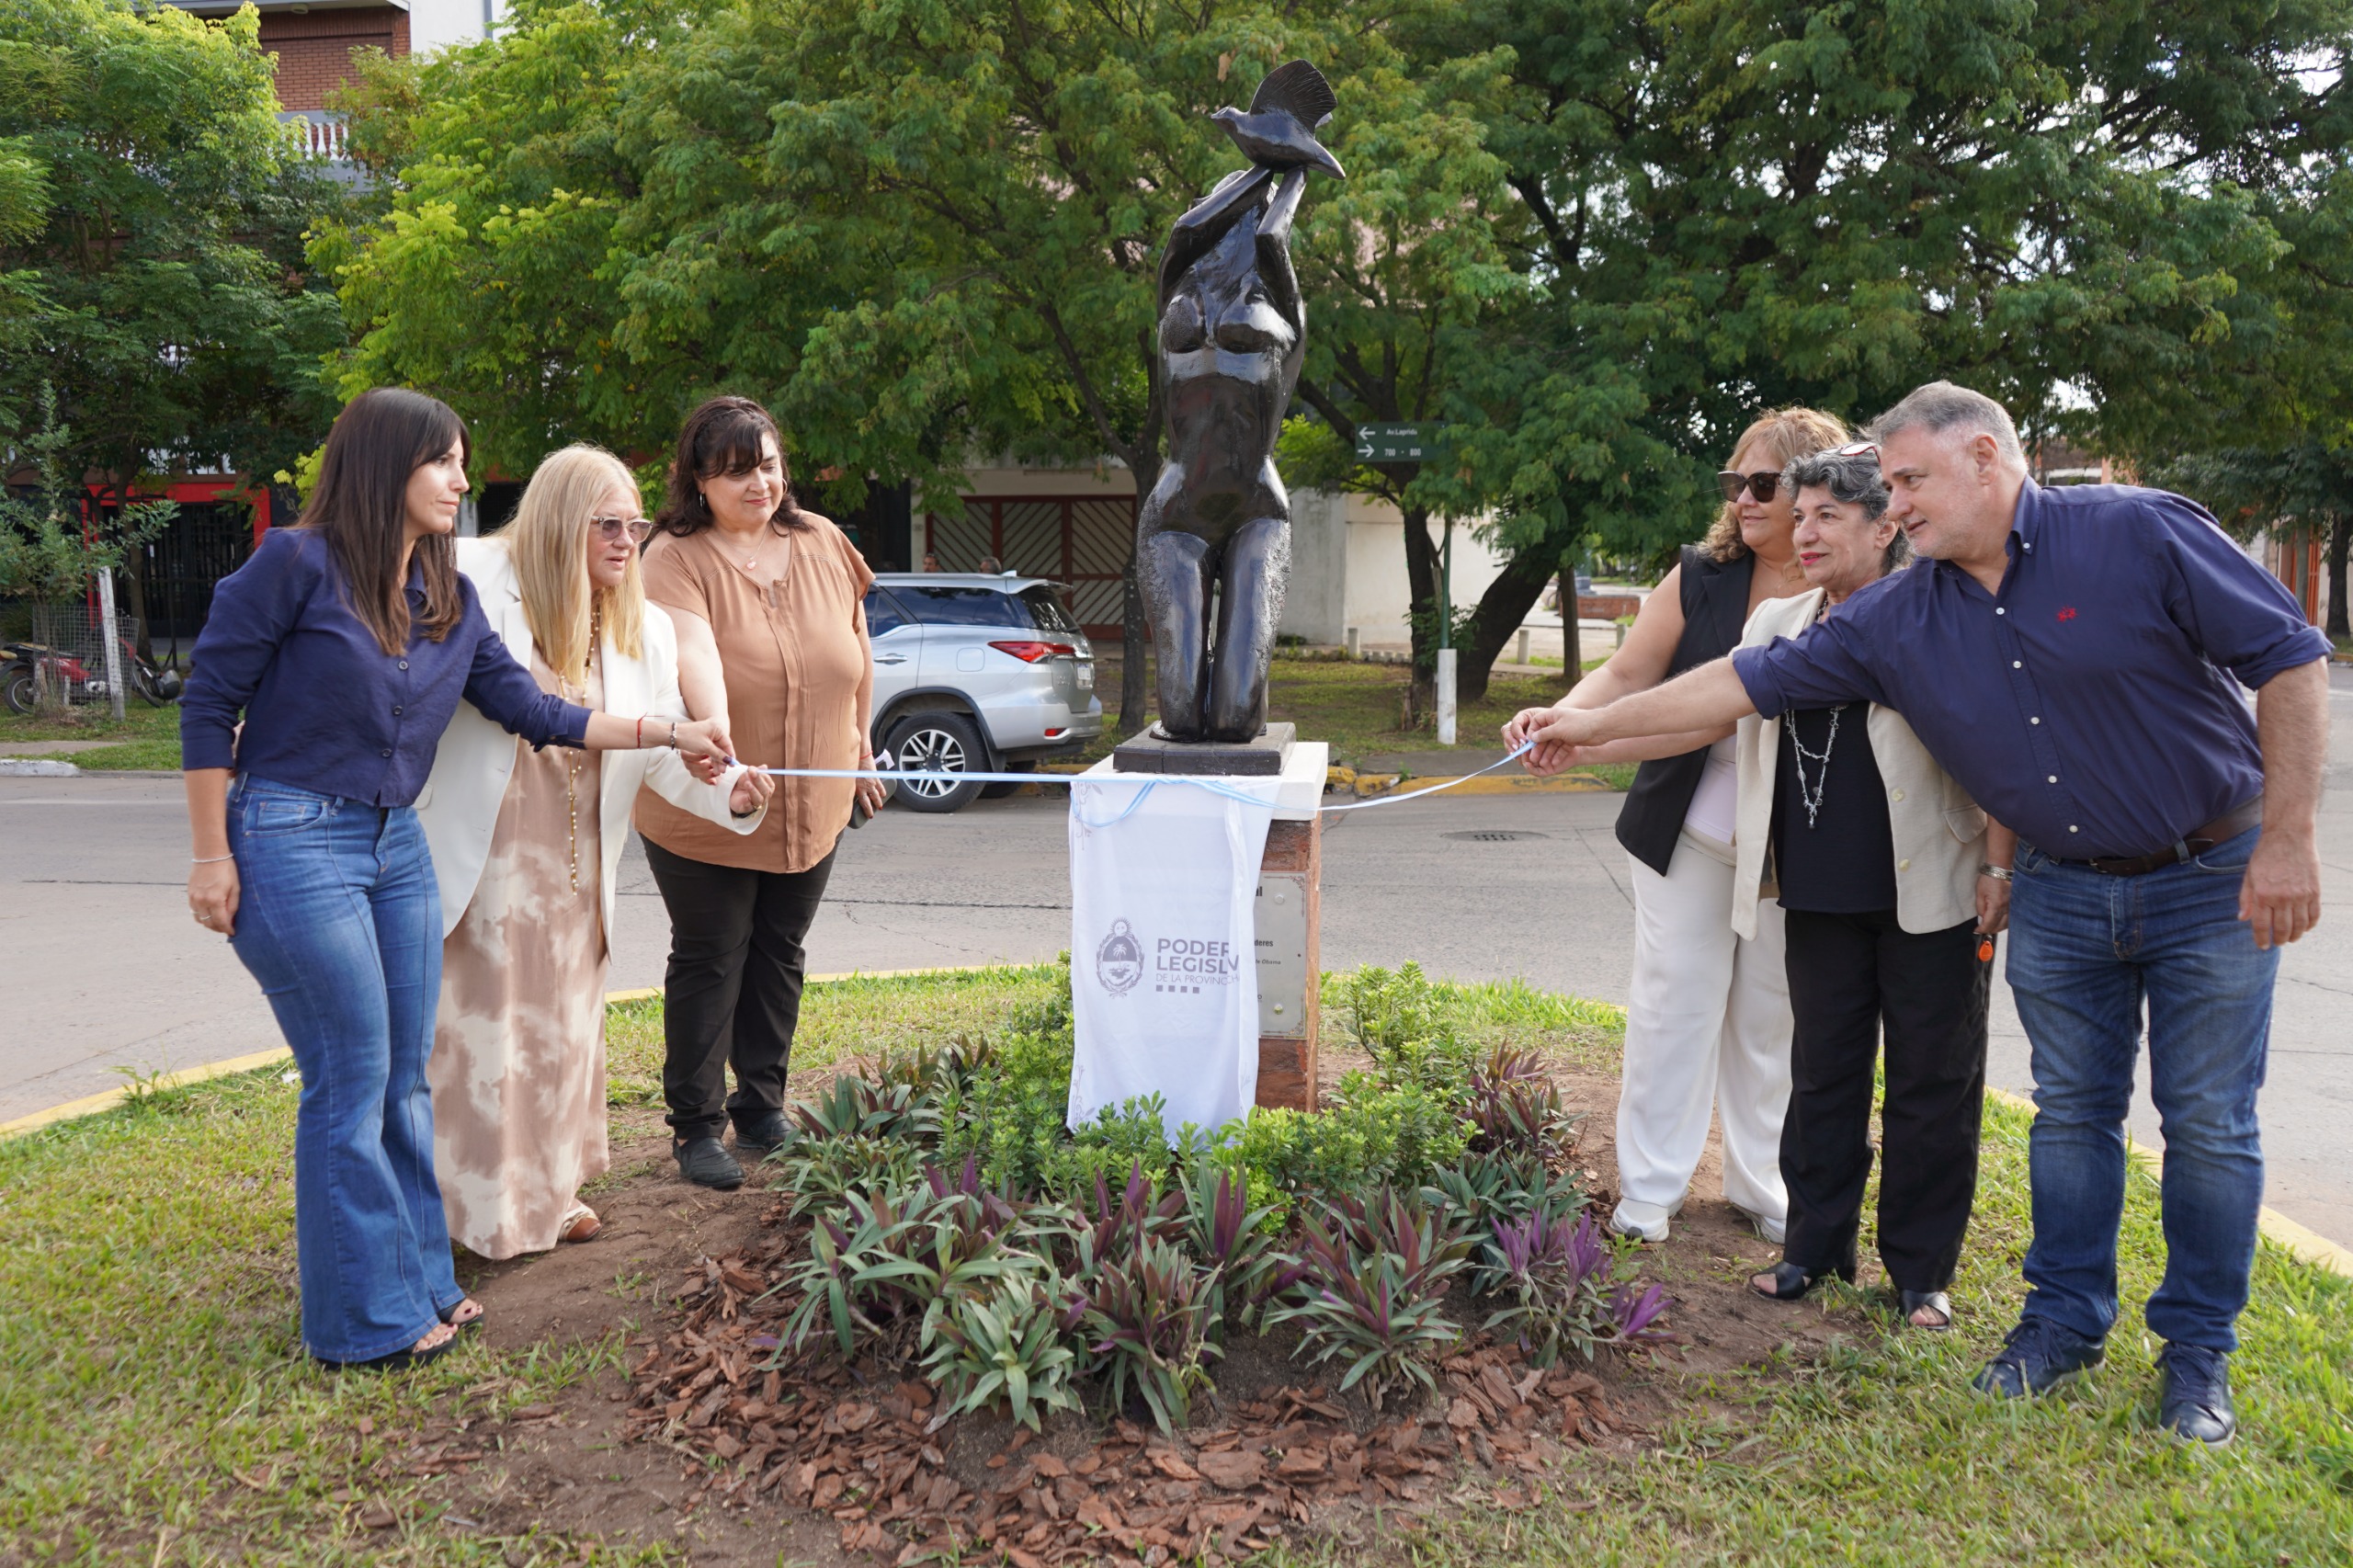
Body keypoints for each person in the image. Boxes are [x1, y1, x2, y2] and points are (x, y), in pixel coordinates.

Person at [1522, 381, 2329, 1445]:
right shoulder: (1900, 612)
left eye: (1907, 479)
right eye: (1889, 483)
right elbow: (1736, 684)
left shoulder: (2136, 530)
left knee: (2208, 1123)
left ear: (1985, 457)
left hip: (2207, 873)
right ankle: (2060, 1324)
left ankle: (2195, 1356)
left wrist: (2287, 837)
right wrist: (1586, 726)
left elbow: (2288, 655)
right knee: (2071, 1117)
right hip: (2063, 884)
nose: (1893, 503)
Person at [180, 390, 734, 1370]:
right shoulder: (293, 565)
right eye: (442, 461)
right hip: (292, 834)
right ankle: (362, 1325)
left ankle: (421, 1283)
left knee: (404, 1080)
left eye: (461, 461)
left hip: (395, 845)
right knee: (351, 1081)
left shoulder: (445, 595)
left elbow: (537, 709)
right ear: (383, 463)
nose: (461, 480)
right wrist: (210, 853)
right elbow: (207, 705)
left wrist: (670, 731)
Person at [416, 445, 773, 1259]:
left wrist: (730, 792)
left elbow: (664, 753)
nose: (625, 541)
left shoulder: (643, 627)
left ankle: (549, 1192)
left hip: (575, 865)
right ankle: (461, 1212)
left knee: (560, 1033)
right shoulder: (472, 578)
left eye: (635, 526)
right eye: (606, 524)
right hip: (483, 856)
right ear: (556, 521)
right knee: (476, 1040)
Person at [1505, 406, 1847, 1244]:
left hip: (1795, 842)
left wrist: (1590, 734)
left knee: (1772, 1015)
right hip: (1688, 827)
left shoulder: (1852, 582)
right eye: (1735, 482)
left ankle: (1763, 1184)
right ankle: (1651, 1189)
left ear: (1816, 489)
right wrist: (1562, 715)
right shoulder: (1702, 574)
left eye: (1763, 484)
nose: (1743, 500)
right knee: (1674, 1006)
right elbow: (1628, 672)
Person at [636, 396, 887, 1191]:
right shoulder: (672, 557)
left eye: (769, 466)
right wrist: (716, 736)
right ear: (697, 479)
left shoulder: (822, 540)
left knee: (780, 950)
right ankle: (695, 1124)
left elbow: (859, 652)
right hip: (707, 796)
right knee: (713, 955)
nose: (760, 484)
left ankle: (761, 1105)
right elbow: (694, 653)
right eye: (737, 471)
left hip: (815, 798)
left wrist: (862, 749)